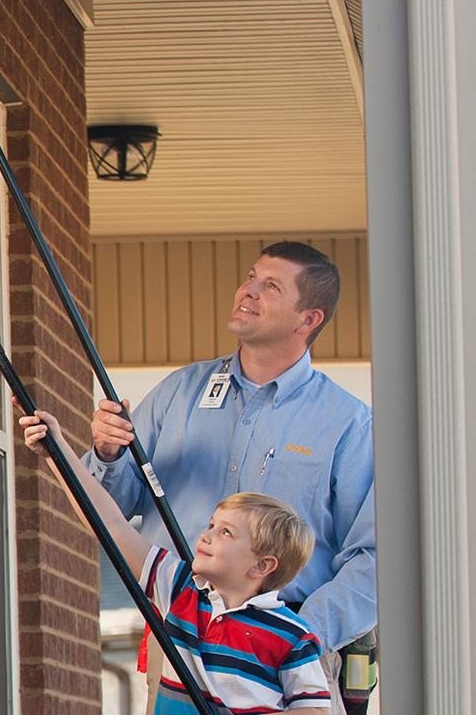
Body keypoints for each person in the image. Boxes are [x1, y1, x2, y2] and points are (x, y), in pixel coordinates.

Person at [86, 242, 376, 715]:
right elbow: (108, 511)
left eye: (271, 286)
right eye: (251, 276)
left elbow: (373, 555)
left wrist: (299, 634)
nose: (248, 290)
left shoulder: (348, 424)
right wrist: (107, 452)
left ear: (309, 320)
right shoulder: (178, 392)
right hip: (180, 643)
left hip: (289, 654)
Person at [21, 407, 331, 714]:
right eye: (211, 525)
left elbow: (314, 711)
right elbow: (111, 524)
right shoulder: (179, 588)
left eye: (226, 533)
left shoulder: (293, 636)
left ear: (262, 565)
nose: (205, 536)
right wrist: (56, 451)